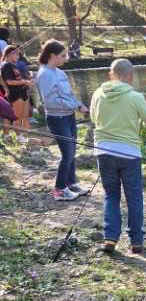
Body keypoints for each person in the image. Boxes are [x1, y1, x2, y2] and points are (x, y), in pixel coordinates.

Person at [90, 58, 146, 255]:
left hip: (103, 151)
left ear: (111, 74)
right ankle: (136, 242)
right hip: (129, 153)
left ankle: (110, 238)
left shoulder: (97, 94)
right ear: (130, 76)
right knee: (134, 197)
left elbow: (94, 119)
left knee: (111, 194)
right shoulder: (135, 96)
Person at [35, 39, 90, 201]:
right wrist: (73, 106)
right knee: (67, 153)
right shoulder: (44, 74)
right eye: (63, 55)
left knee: (72, 150)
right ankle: (59, 189)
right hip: (56, 118)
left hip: (68, 116)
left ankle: (71, 183)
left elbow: (69, 95)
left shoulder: (60, 72)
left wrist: (80, 106)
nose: (66, 58)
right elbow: (50, 101)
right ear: (52, 55)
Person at [0, 45, 32, 142]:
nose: (18, 55)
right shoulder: (6, 65)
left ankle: (26, 136)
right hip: (15, 94)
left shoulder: (14, 65)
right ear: (9, 55)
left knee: (25, 116)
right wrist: (24, 82)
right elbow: (9, 81)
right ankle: (19, 137)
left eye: (19, 53)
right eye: (16, 53)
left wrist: (28, 79)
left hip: (23, 93)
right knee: (17, 117)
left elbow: (18, 79)